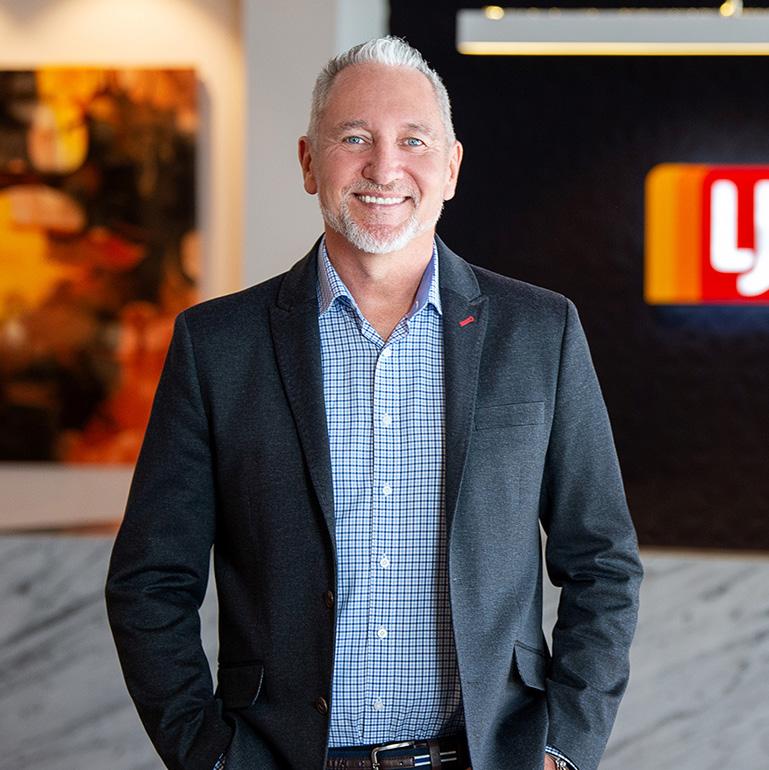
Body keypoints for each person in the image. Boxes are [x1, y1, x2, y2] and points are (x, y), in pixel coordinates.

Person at [105, 36, 643, 770]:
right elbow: (150, 580)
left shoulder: (539, 332)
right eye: (353, 138)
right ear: (308, 162)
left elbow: (602, 562)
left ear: (450, 168)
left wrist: (561, 749)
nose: (384, 168)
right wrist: (211, 757)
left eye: (412, 141)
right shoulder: (218, 345)